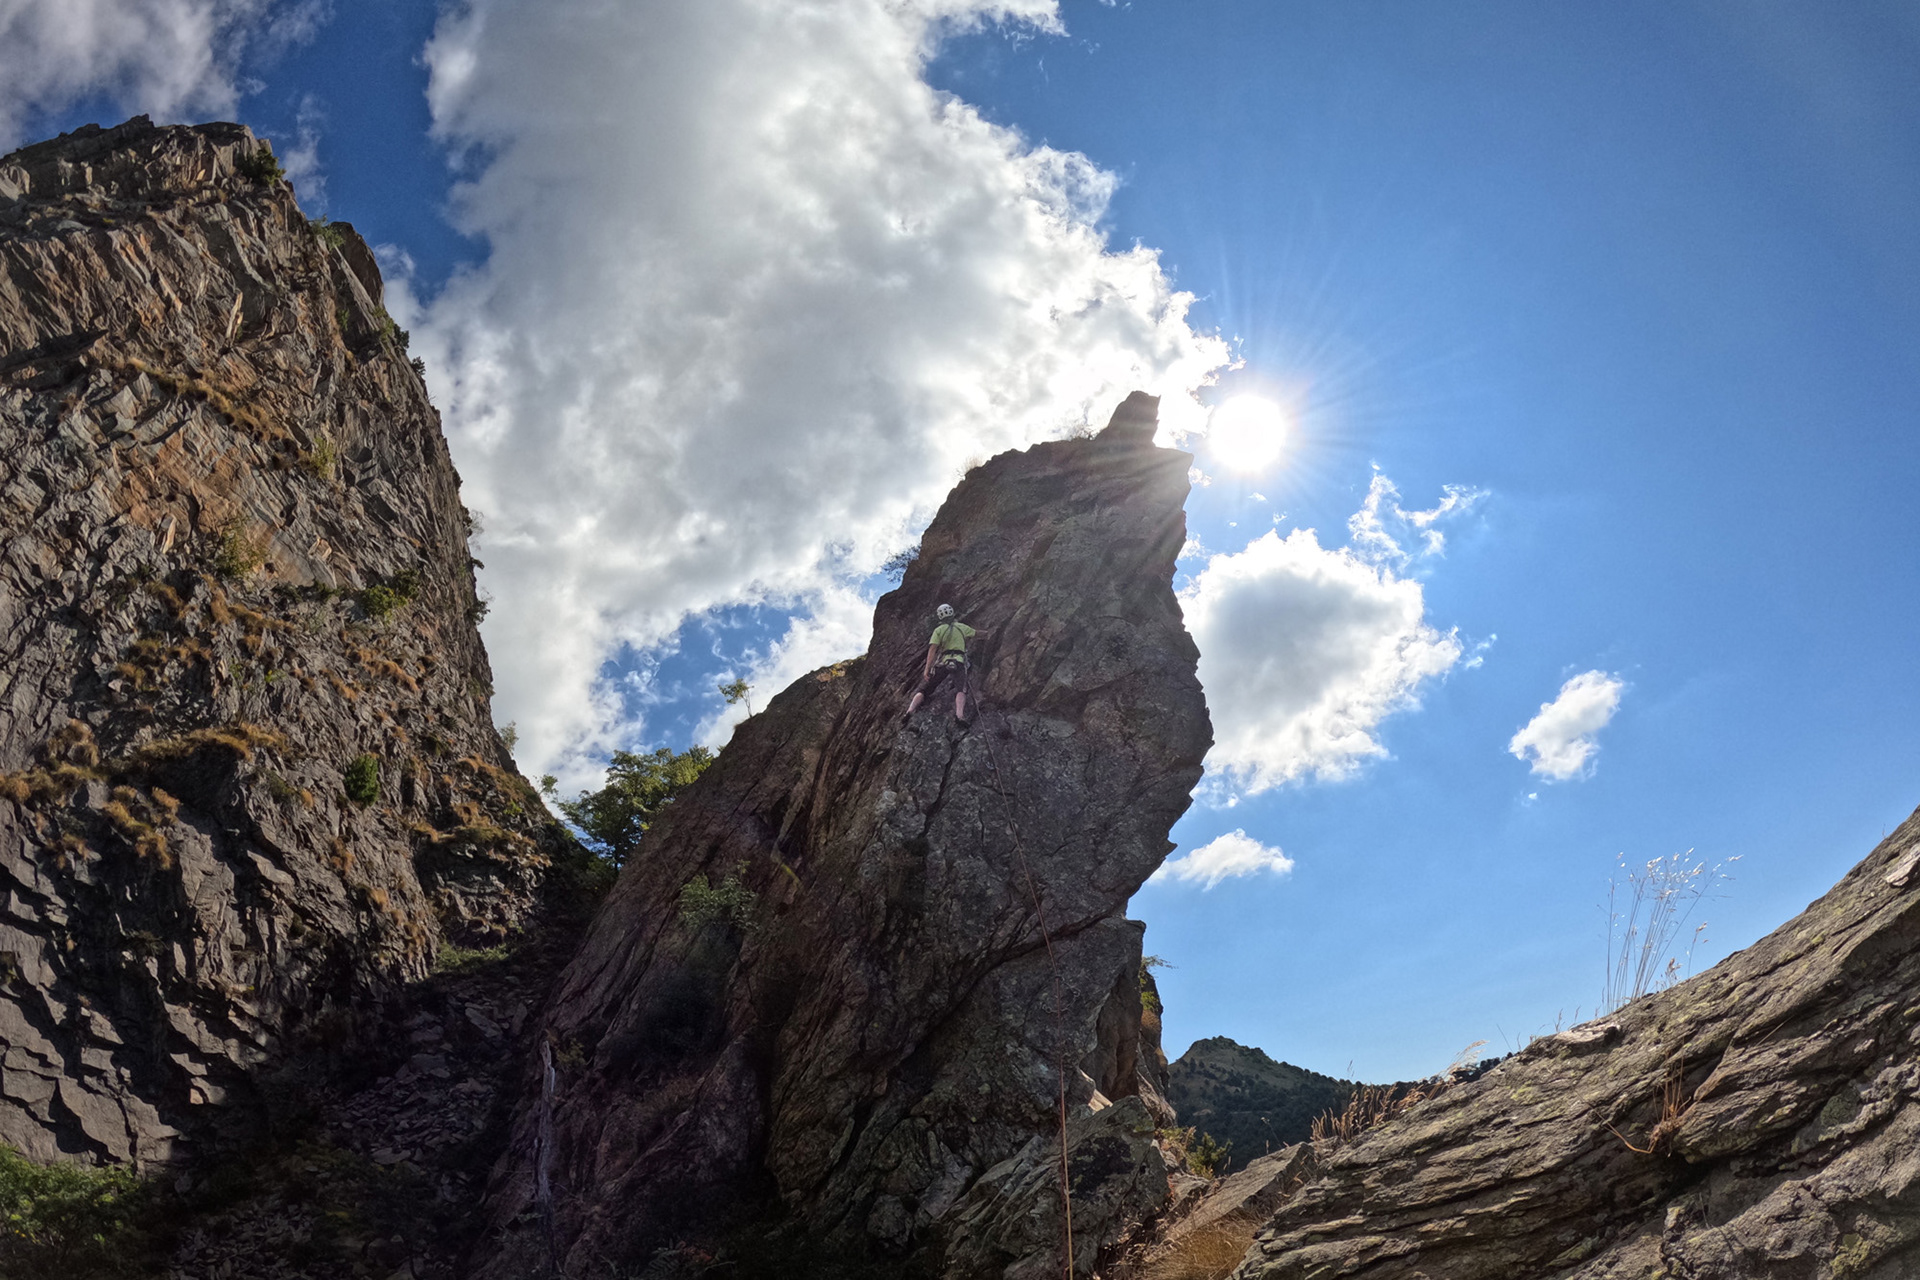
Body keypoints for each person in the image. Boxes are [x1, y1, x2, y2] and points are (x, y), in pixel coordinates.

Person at [904, 603, 979, 723]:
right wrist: (987, 633)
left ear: (940, 617)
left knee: (925, 689)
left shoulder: (938, 630)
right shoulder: (961, 627)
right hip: (959, 662)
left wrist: (927, 669)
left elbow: (932, 649)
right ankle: (959, 715)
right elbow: (977, 634)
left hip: (943, 662)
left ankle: (910, 710)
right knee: (961, 689)